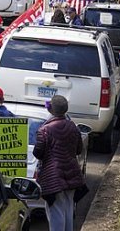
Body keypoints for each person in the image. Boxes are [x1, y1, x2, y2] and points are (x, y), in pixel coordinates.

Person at [34, 95, 86, 231]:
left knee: (55, 211)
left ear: (50, 110)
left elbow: (38, 153)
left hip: (53, 177)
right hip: (72, 174)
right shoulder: (73, 127)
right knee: (68, 209)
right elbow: (79, 149)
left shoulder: (44, 130)